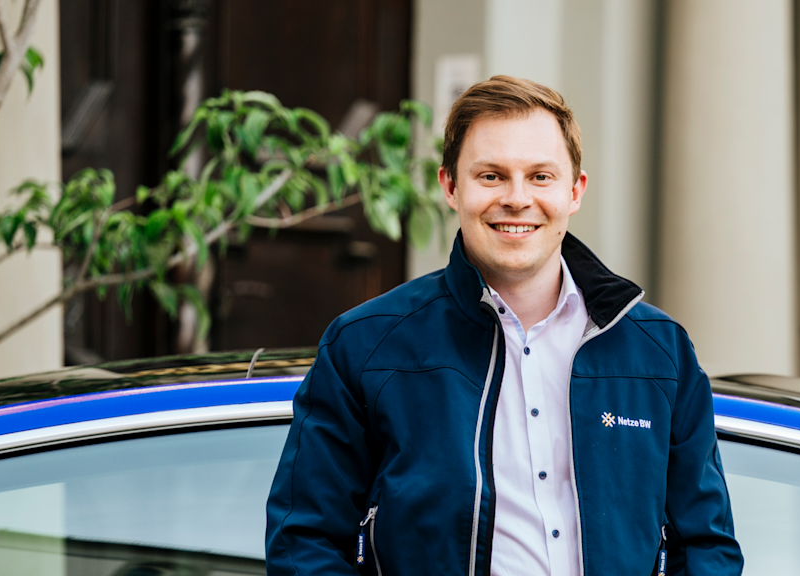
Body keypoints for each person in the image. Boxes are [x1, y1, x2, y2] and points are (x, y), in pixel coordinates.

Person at [265, 75, 743, 576]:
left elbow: (706, 546)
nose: (517, 198)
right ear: (450, 186)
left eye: (540, 176)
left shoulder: (659, 352)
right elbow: (305, 542)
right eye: (491, 176)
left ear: (575, 191)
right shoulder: (365, 346)